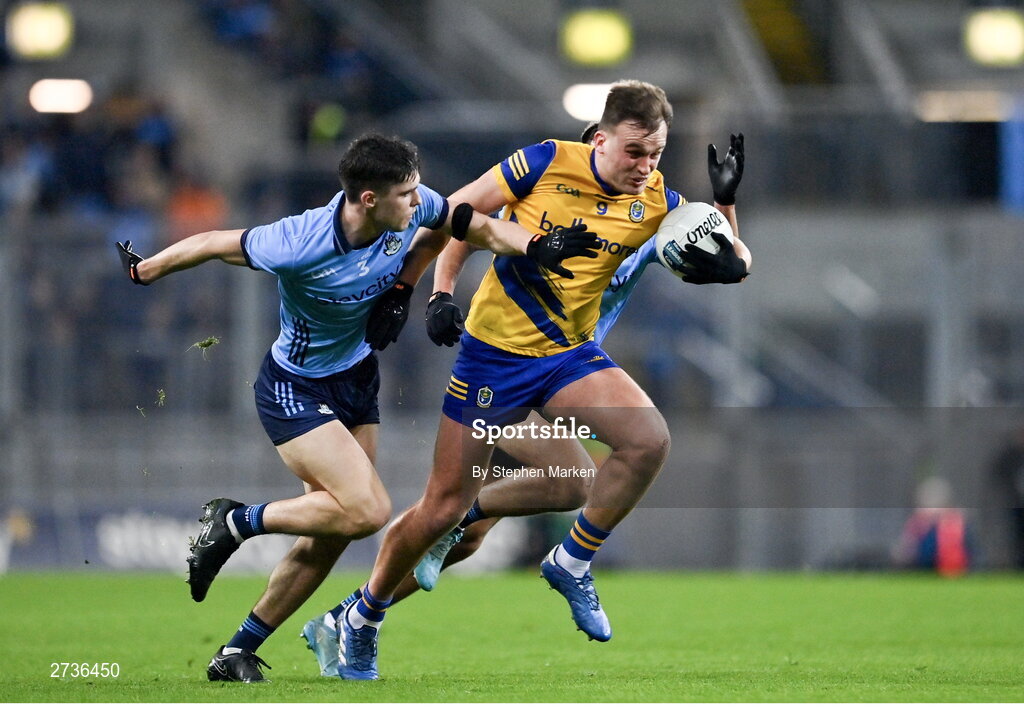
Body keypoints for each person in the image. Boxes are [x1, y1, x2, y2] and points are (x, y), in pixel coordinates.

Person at [115, 132, 600, 683]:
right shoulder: (298, 241)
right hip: (294, 389)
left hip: (356, 381)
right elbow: (212, 243)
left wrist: (536, 246)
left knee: (334, 530)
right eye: (406, 195)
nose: (419, 202)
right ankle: (234, 520)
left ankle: (235, 652)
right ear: (368, 199)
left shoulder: (415, 208)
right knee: (366, 511)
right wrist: (146, 269)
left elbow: (474, 226)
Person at [319, 81, 752, 680]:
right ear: (600, 139)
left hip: (568, 357)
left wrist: (725, 204)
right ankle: (360, 618)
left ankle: (571, 561)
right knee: (445, 511)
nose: (645, 167)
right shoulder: (545, 161)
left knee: (644, 441)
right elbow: (457, 217)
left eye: (655, 154)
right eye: (634, 152)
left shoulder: (658, 203)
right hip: (492, 360)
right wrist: (427, 290)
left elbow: (735, 262)